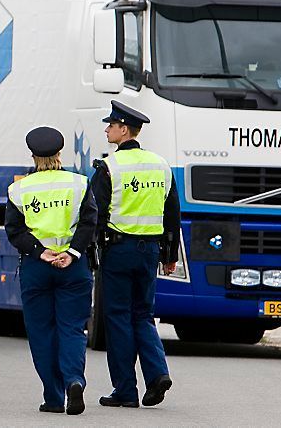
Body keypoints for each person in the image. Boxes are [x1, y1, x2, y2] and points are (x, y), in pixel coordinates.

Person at [91, 101, 180, 409]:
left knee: (116, 318)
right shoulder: (161, 165)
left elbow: (95, 213)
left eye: (110, 125)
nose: (107, 129)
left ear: (123, 129)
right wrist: (170, 254)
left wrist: (91, 252)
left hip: (118, 251)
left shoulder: (110, 167)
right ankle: (157, 374)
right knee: (142, 315)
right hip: (150, 252)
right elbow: (172, 214)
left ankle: (125, 390)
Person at [4, 126, 97, 415]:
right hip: (73, 266)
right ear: (59, 154)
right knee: (71, 328)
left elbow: (14, 230)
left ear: (33, 156)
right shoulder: (79, 183)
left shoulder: (19, 189)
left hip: (37, 267)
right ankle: (74, 380)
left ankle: (54, 398)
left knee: (42, 332)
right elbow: (89, 222)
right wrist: (71, 252)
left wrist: (39, 251)